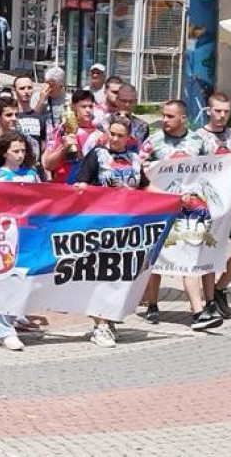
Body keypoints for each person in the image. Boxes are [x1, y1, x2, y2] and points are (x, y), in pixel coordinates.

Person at [140, 99, 219, 331]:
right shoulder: (153, 141)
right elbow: (139, 168)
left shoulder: (199, 142)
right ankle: (152, 304)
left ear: (183, 118)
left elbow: (214, 168)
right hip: (158, 210)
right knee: (157, 259)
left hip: (189, 212)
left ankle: (199, 312)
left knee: (189, 257)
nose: (164, 120)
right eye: (163, 115)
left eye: (170, 116)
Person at [74, 115, 148, 348]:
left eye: (120, 135)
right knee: (102, 275)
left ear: (129, 138)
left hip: (129, 227)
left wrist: (174, 199)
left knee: (120, 275)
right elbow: (82, 183)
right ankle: (100, 325)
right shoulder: (96, 155)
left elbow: (145, 186)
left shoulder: (135, 158)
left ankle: (110, 318)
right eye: (112, 134)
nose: (115, 139)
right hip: (102, 225)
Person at [0, 131, 40, 351]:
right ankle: (5, 330)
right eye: (16, 151)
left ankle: (8, 315)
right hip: (2, 234)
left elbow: (44, 200)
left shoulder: (32, 174)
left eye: (23, 151)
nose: (21, 155)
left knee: (23, 279)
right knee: (3, 279)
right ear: (5, 152)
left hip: (28, 234)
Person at [196, 91, 231, 318]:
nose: (221, 116)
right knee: (209, 254)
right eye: (217, 111)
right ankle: (209, 300)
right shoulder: (198, 137)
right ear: (209, 111)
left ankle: (221, 287)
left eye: (226, 111)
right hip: (210, 205)